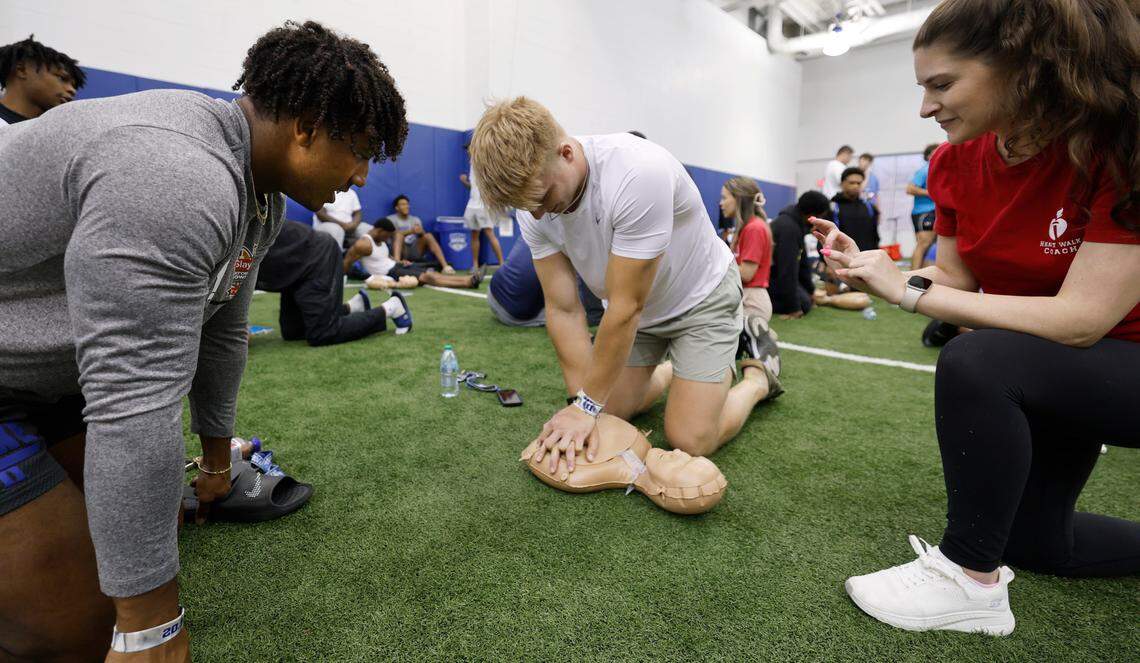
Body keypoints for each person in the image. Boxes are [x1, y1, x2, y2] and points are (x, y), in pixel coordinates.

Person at [0, 20, 408, 660]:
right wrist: (152, 628)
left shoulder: (259, 192)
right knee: (78, 625)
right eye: (358, 149)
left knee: (142, 521)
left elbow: (222, 333)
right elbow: (132, 400)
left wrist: (217, 462)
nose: (359, 175)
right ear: (305, 127)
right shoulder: (178, 174)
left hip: (44, 376)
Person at [816, 0, 1140, 636]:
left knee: (977, 359)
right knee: (1038, 545)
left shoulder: (1117, 146)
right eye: (922, 88)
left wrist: (907, 293)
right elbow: (956, 279)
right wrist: (876, 269)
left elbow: (1082, 320)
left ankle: (971, 582)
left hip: (1117, 363)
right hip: (1058, 371)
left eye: (942, 84)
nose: (925, 107)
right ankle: (1000, 557)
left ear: (1022, 70)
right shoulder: (952, 162)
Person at [470, 97, 782, 477]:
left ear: (566, 153)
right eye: (528, 207)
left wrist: (585, 409)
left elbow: (625, 306)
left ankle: (757, 377)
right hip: (640, 310)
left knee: (690, 439)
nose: (538, 214)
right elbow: (563, 309)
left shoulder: (637, 172)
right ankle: (670, 371)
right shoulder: (533, 203)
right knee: (606, 410)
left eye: (544, 199)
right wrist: (581, 403)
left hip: (700, 299)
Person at [256, 221, 413, 343]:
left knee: (323, 333)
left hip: (316, 257)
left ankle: (391, 307)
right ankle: (352, 307)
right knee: (294, 332)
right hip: (293, 266)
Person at [488, 238, 604, 328]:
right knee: (567, 313)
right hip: (515, 313)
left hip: (494, 290)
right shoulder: (565, 231)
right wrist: (594, 315)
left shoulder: (533, 219)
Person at [345, 218, 483, 290]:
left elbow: (384, 258)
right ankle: (468, 282)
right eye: (387, 236)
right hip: (390, 273)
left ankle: (470, 278)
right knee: (427, 277)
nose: (387, 239)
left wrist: (399, 261)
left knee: (431, 273)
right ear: (380, 230)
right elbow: (346, 262)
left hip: (396, 266)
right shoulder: (364, 243)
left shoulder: (378, 241)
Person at [721, 176, 773, 327]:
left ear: (738, 199)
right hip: (746, 297)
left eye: (724, 198)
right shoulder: (748, 227)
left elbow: (746, 273)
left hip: (751, 300)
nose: (721, 203)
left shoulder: (754, 228)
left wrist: (714, 265)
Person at [770, 191, 830, 319]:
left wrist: (811, 291)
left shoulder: (795, 224)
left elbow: (802, 264)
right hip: (769, 280)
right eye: (821, 217)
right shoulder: (788, 229)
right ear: (812, 215)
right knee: (804, 304)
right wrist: (793, 308)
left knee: (807, 299)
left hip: (776, 277)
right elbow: (787, 271)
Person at [0, 35, 84, 124]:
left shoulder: (59, 132)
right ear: (22, 70)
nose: (72, 90)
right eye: (62, 78)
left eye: (74, 86)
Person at [460, 143, 506, 269]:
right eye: (467, 149)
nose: (468, 151)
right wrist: (465, 182)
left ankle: (502, 265)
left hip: (483, 206)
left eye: (470, 148)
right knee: (474, 235)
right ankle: (475, 265)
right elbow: (475, 187)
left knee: (490, 234)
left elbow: (492, 182)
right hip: (472, 205)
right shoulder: (472, 163)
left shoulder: (484, 161)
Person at [387, 194, 454, 272]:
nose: (406, 206)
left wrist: (421, 232)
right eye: (403, 204)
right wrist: (411, 231)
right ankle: (397, 265)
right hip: (400, 251)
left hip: (414, 250)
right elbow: (392, 235)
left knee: (428, 235)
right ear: (397, 208)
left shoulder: (415, 219)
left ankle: (445, 266)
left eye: (407, 204)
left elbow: (422, 237)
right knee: (399, 235)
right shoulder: (390, 219)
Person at [907, 143, 941, 269]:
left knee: (931, 245)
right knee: (924, 243)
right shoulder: (925, 169)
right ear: (928, 156)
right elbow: (910, 189)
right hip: (924, 212)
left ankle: (922, 275)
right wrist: (933, 193)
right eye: (935, 152)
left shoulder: (937, 170)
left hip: (933, 212)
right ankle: (913, 276)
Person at [831, 167, 880, 251]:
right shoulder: (833, 207)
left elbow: (874, 235)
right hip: (842, 256)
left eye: (859, 183)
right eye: (852, 183)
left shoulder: (869, 207)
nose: (856, 186)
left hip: (866, 256)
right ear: (842, 183)